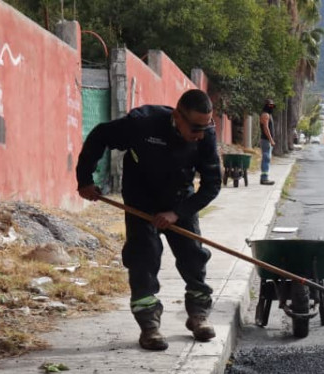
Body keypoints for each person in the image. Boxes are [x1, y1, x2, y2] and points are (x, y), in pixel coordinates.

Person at [75, 88, 221, 351]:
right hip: (140, 201)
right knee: (143, 258)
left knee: (193, 257)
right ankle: (149, 325)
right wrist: (85, 179)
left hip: (179, 200)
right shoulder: (142, 124)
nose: (200, 135)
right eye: (195, 128)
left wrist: (177, 213)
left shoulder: (206, 137)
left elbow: (212, 185)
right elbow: (100, 135)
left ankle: (198, 314)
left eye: (206, 127)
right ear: (177, 116)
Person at [259, 99, 276, 186]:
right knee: (266, 158)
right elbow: (266, 128)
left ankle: (265, 177)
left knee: (267, 158)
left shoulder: (268, 115)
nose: (271, 107)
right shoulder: (265, 115)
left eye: (272, 105)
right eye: (270, 105)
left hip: (267, 141)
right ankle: (264, 179)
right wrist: (271, 139)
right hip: (266, 140)